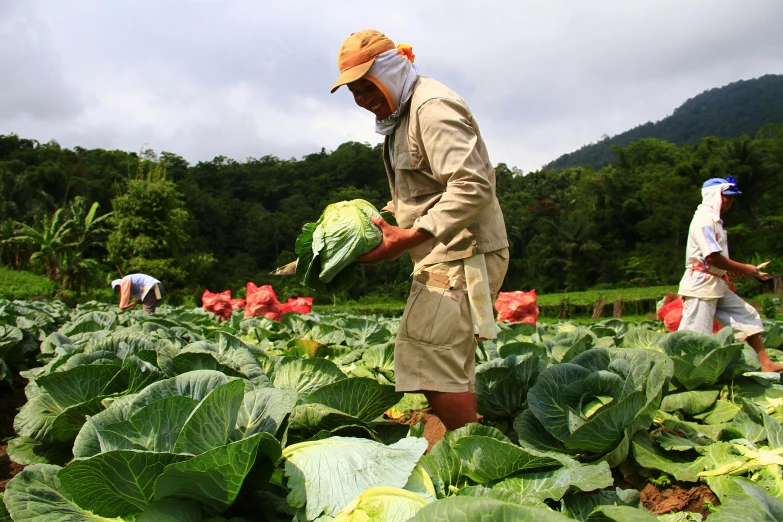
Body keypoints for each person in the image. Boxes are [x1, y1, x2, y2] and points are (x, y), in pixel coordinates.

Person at [331, 30, 509, 429]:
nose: (363, 99)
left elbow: (472, 185)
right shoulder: (401, 117)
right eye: (354, 92)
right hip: (446, 251)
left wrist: (409, 238)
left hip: (465, 251)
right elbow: (419, 194)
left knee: (428, 360)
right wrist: (374, 228)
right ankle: (471, 446)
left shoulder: (432, 108)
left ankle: (475, 455)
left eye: (367, 85)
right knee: (441, 357)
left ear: (392, 70)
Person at [677, 177, 783, 372]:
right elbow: (712, 259)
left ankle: (766, 363)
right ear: (715, 196)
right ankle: (685, 374)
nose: (731, 202)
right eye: (727, 197)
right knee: (696, 334)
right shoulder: (703, 220)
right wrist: (745, 269)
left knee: (746, 314)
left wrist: (738, 273)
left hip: (714, 283)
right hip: (700, 286)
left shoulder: (715, 221)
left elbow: (716, 262)